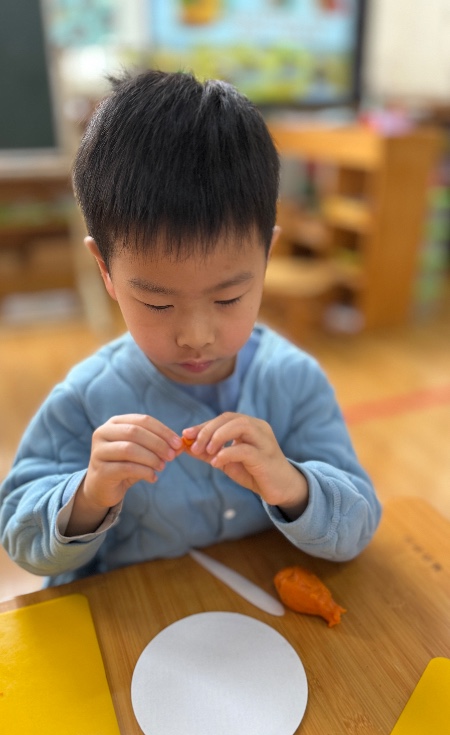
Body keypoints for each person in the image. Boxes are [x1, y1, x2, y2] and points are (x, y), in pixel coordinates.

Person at [0, 69, 381, 586]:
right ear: (106, 271)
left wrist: (292, 486)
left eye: (228, 298)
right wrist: (88, 495)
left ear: (266, 257)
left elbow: (358, 526)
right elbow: (20, 540)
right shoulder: (87, 399)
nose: (197, 336)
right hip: (139, 620)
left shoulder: (293, 381)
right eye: (158, 304)